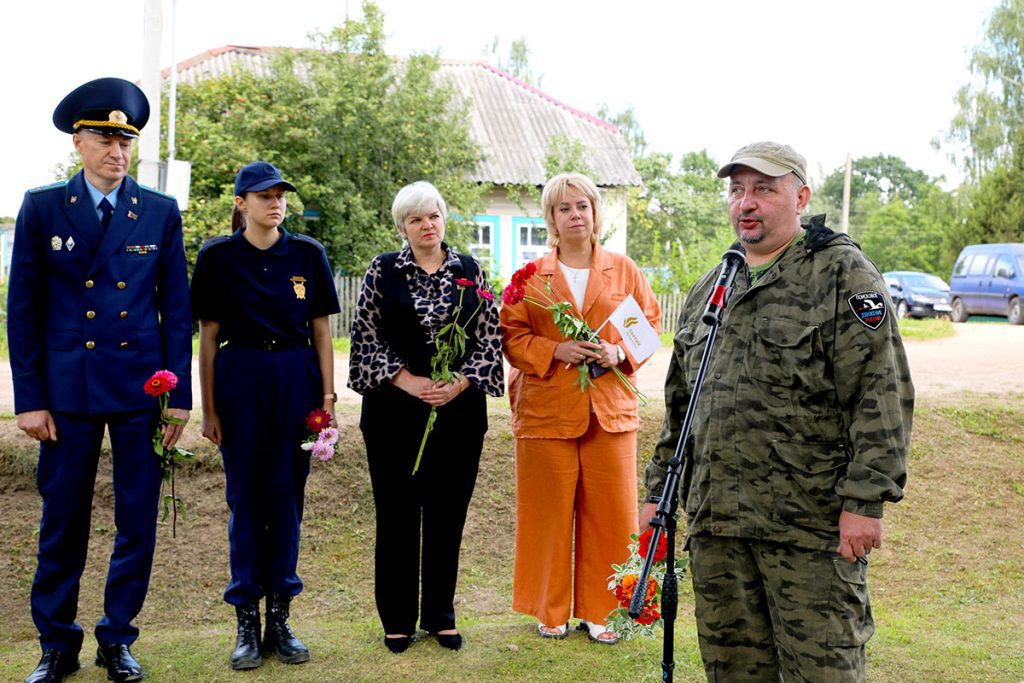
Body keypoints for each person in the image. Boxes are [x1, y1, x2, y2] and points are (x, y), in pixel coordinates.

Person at [640, 141, 914, 681]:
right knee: (734, 671)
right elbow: (681, 405)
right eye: (737, 189)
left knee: (823, 671)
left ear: (801, 195)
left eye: (764, 188)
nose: (747, 202)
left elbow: (881, 392)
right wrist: (657, 494)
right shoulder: (711, 287)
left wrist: (866, 500)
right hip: (718, 527)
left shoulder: (841, 275)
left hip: (808, 530)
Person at [7, 77, 192, 683]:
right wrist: (28, 399)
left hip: (141, 387)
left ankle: (117, 638)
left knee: (136, 517)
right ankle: (57, 643)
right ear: (78, 143)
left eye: (126, 141)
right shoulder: (41, 207)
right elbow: (24, 309)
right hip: (67, 392)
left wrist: (178, 400)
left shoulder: (159, 212)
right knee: (63, 518)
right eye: (105, 139)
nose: (117, 152)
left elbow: (176, 310)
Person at [189, 161, 341, 670]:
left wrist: (327, 399)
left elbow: (321, 331)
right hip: (241, 379)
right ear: (241, 202)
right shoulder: (217, 257)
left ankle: (280, 617)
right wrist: (209, 408)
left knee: (287, 500)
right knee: (246, 503)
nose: (275, 203)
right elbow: (208, 339)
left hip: (295, 379)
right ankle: (246, 623)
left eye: (280, 195)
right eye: (263, 195)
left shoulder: (307, 254)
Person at [500, 172, 661, 644]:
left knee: (612, 514)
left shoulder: (621, 270)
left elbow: (647, 325)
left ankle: (603, 608)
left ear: (595, 213)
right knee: (546, 513)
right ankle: (549, 608)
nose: (574, 215)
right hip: (546, 412)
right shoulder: (531, 279)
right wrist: (556, 351)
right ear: (551, 218)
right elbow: (513, 338)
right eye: (563, 208)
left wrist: (619, 354)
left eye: (582, 206)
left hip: (609, 410)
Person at [348, 181, 504, 653]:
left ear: (443, 218)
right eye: (415, 219)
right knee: (396, 516)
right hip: (394, 413)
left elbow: (490, 336)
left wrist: (458, 382)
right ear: (403, 227)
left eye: (433, 215)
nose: (426, 225)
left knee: (447, 516)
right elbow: (363, 338)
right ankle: (397, 620)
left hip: (457, 415)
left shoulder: (471, 270)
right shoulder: (382, 270)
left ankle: (441, 616)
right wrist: (407, 380)